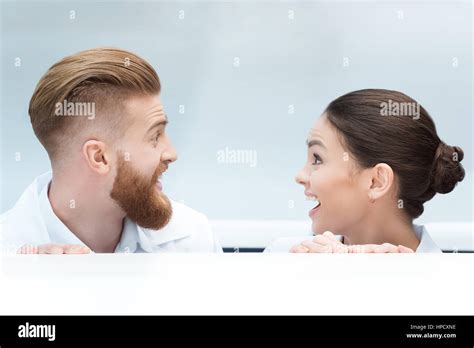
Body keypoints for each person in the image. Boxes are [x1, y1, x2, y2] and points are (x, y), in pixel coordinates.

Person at [0, 47, 222, 254]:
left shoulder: (193, 240)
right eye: (155, 137)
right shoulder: (7, 254)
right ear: (99, 157)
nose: (171, 153)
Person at [265, 89, 465, 253]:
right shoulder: (283, 256)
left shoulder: (452, 284)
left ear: (376, 182)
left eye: (317, 159)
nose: (300, 176)